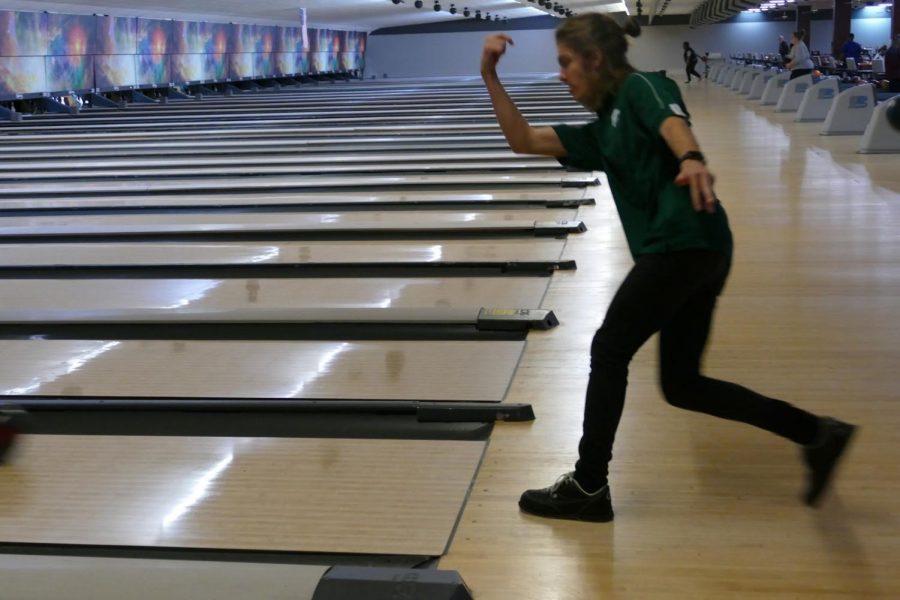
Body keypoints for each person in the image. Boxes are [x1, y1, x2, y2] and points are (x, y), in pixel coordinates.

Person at [480, 14, 856, 523]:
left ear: (595, 60)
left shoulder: (640, 87)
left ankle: (589, 484)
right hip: (700, 249)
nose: (562, 75)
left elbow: (672, 122)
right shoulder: (601, 131)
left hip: (681, 244)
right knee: (682, 385)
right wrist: (490, 77)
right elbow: (523, 139)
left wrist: (692, 158)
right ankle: (817, 433)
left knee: (609, 347)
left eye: (566, 63)